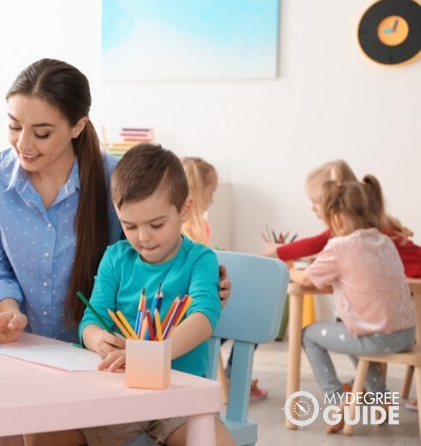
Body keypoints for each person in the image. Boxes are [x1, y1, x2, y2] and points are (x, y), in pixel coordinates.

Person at [0, 58, 232, 350]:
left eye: (42, 133)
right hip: (24, 347)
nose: (24, 144)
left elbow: (151, 253)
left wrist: (205, 281)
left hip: (97, 357)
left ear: (77, 126)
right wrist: (10, 314)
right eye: (14, 126)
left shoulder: (115, 180)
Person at [76, 143, 233, 446]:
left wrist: (155, 355)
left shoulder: (201, 259)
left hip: (179, 398)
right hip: (118, 396)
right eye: (130, 226)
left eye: (156, 224)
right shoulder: (114, 258)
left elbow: (204, 316)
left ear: (184, 210)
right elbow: (89, 321)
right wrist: (98, 340)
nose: (143, 237)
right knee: (49, 432)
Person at [289, 175, 416, 434]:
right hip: (406, 335)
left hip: (376, 338)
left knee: (309, 335)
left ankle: (336, 402)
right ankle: (380, 400)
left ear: (336, 218)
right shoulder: (385, 241)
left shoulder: (339, 247)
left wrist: (289, 268)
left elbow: (305, 278)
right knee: (348, 327)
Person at [181, 156, 268, 401]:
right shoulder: (181, 230)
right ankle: (230, 378)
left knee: (252, 318)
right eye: (211, 193)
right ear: (198, 194)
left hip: (204, 301)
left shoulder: (201, 228)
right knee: (251, 320)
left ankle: (230, 377)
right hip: (190, 309)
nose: (213, 199)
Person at [262, 159, 421, 278]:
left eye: (316, 201)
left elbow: (315, 243)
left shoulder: (354, 231)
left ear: (335, 200)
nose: (312, 208)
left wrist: (273, 253)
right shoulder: (369, 224)